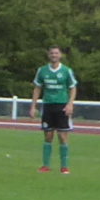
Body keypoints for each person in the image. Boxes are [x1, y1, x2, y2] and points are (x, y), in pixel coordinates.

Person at [29, 45, 78, 174]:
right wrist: (33, 106)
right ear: (48, 55)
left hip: (62, 106)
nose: (54, 55)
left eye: (56, 53)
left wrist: (70, 104)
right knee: (48, 136)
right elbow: (37, 88)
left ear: (60, 55)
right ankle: (46, 165)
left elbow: (73, 87)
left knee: (62, 136)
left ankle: (64, 166)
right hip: (48, 105)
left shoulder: (66, 71)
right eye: (51, 53)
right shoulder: (42, 70)